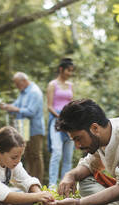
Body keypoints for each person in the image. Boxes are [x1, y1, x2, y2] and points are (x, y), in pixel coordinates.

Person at [0, 72, 45, 182]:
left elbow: (31, 112)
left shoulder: (34, 92)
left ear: (24, 81)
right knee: (28, 155)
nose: (16, 86)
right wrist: (7, 107)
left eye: (17, 84)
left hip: (34, 129)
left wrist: (15, 109)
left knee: (35, 155)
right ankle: (29, 183)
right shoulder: (23, 93)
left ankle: (38, 181)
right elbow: (16, 105)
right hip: (24, 129)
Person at [47, 58, 75, 188]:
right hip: (57, 121)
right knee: (57, 151)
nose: (70, 73)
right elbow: (49, 106)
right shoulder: (53, 84)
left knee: (68, 155)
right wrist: (60, 116)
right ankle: (52, 184)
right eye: (68, 70)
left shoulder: (70, 85)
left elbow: (72, 103)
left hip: (69, 122)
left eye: (71, 71)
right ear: (61, 69)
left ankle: (65, 184)